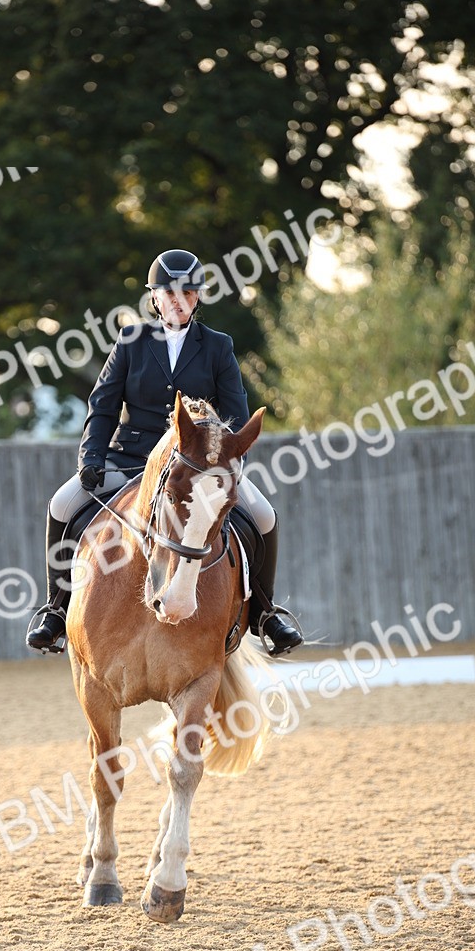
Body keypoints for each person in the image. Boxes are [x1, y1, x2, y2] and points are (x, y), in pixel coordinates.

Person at [25, 248, 303, 655]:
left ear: (198, 297)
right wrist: (91, 460)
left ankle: (265, 612)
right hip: (132, 459)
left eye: (188, 293)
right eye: (168, 293)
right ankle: (55, 610)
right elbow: (102, 406)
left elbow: (236, 416)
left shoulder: (218, 346)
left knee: (262, 515)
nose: (178, 300)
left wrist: (228, 465)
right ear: (154, 297)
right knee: (62, 504)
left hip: (194, 468)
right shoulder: (131, 341)